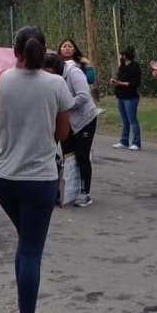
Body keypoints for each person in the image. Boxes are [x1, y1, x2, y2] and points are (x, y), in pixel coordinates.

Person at [0, 26, 72, 313]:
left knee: (26, 243)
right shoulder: (57, 84)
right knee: (32, 249)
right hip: (40, 178)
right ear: (44, 50)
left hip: (5, 176)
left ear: (15, 52)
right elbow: (62, 133)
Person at [59, 50, 98, 207]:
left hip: (85, 119)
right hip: (67, 119)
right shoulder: (54, 77)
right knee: (67, 155)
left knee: (82, 155)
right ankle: (69, 190)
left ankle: (85, 192)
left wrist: (65, 104)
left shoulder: (74, 73)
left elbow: (83, 95)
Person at [111, 46, 142, 151]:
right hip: (120, 96)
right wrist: (115, 82)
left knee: (132, 120)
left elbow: (136, 83)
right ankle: (124, 141)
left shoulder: (135, 66)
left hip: (130, 97)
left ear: (125, 56)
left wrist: (121, 83)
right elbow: (120, 78)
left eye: (121, 55)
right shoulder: (122, 66)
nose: (120, 57)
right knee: (124, 120)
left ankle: (136, 142)